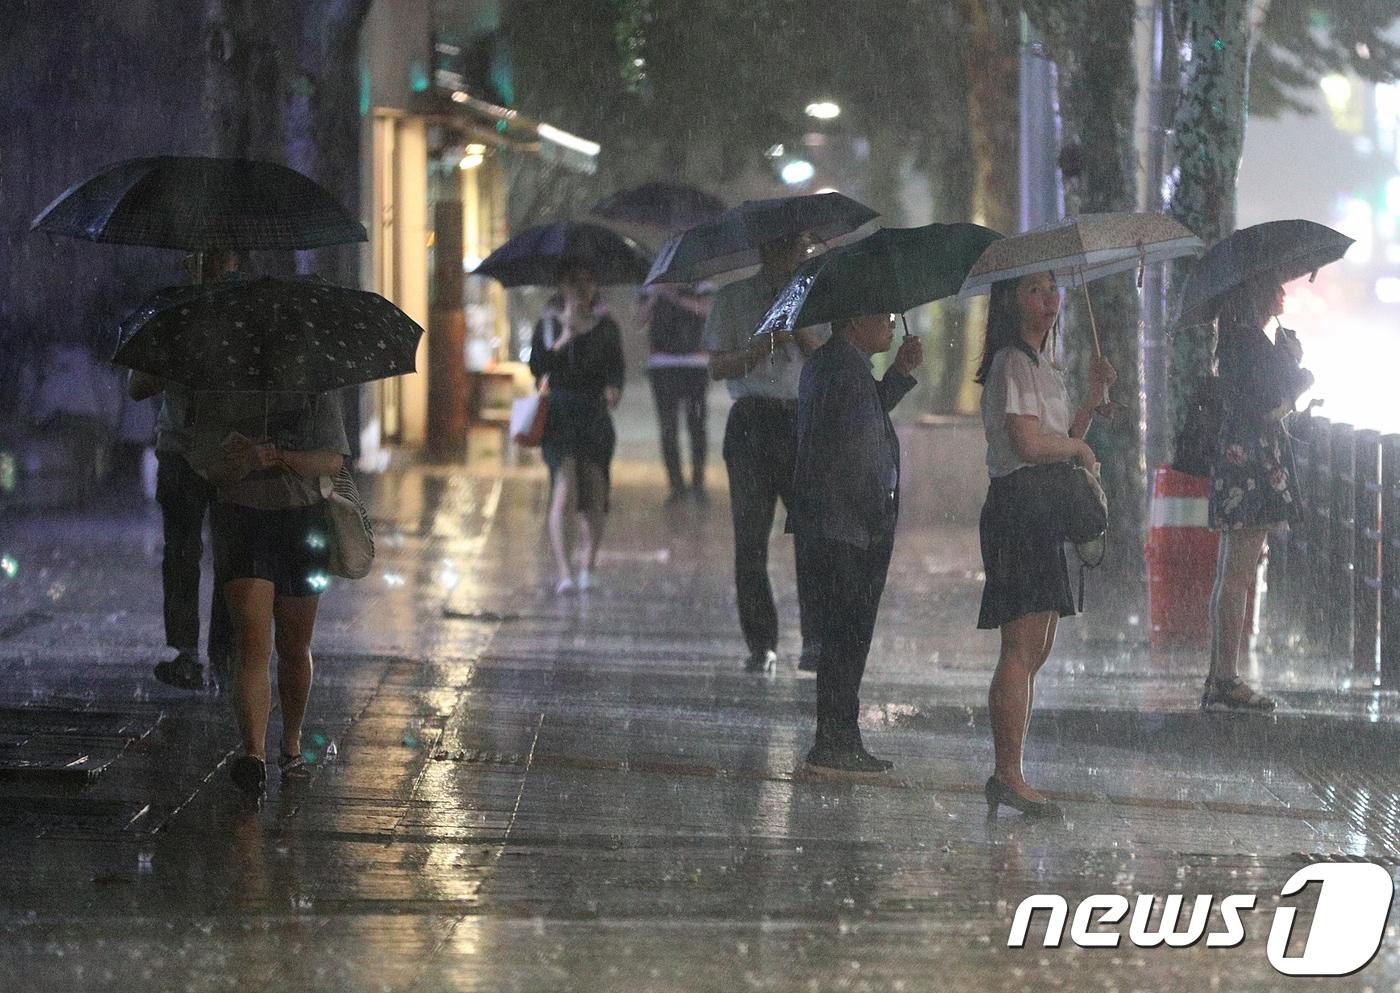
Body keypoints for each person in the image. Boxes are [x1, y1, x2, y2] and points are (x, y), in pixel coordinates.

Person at [974, 272, 1115, 818]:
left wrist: (1090, 402)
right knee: (1020, 646)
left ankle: (1012, 769)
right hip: (1020, 507)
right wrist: (1078, 447)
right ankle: (1008, 773)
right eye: (1034, 290)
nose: (1050, 298)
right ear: (1011, 302)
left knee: (1038, 647)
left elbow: (1059, 440)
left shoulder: (1043, 365)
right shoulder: (1012, 362)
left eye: (1053, 288)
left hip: (1043, 506)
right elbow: (1028, 443)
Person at [193, 390, 350, 795]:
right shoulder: (221, 384)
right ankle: (253, 755)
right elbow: (208, 467)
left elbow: (333, 460)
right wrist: (244, 460)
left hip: (303, 522)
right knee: (252, 643)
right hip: (241, 522)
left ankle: (291, 743)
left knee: (295, 646)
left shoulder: (317, 384)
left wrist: (282, 457)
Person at [792, 313, 921, 772]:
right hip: (847, 527)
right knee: (847, 638)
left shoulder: (837, 367)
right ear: (854, 321)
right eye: (882, 315)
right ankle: (834, 741)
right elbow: (853, 456)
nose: (890, 322)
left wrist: (899, 375)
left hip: (835, 523)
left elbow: (863, 419)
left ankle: (840, 736)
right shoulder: (842, 372)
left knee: (843, 639)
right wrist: (878, 516)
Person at [704, 232, 827, 674]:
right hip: (752, 422)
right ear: (763, 250)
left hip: (800, 419)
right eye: (778, 248)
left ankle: (815, 639)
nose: (788, 255)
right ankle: (761, 642)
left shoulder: (816, 297)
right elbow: (717, 365)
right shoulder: (733, 299)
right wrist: (757, 349)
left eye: (794, 248)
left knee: (812, 537)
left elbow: (832, 360)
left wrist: (800, 335)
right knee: (751, 539)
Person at [127, 249, 243, 690]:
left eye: (218, 254)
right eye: (202, 256)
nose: (209, 265)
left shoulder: (239, 315)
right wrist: (180, 358)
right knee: (184, 551)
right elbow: (138, 385)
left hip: (228, 451)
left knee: (226, 554)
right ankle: (190, 651)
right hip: (182, 449)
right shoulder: (171, 315)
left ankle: (221, 652)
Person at [1203, 275, 1312, 712]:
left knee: (1233, 573)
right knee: (1237, 574)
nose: (1281, 294)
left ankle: (1219, 676)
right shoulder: (1249, 343)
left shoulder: (1238, 340)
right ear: (1253, 293)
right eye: (1274, 286)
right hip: (1251, 465)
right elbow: (1268, 409)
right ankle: (1225, 679)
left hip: (1241, 461)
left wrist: (1286, 364)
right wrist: (1298, 378)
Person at [528, 262, 625, 594]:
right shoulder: (547, 327)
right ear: (561, 285)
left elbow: (616, 369)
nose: (582, 288)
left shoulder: (606, 328)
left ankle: (589, 563)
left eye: (588, 280)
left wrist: (614, 388)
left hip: (594, 416)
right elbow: (539, 370)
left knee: (596, 492)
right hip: (560, 416)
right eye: (574, 281)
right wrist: (566, 335)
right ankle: (565, 572)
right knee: (564, 489)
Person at [638, 284, 711, 503]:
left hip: (695, 365)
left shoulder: (701, 285)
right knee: (668, 427)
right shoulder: (650, 289)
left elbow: (706, 310)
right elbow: (639, 320)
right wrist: (655, 296)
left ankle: (698, 484)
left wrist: (674, 296)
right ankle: (676, 485)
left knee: (696, 424)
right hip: (662, 366)